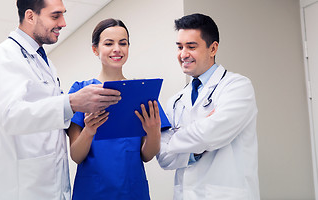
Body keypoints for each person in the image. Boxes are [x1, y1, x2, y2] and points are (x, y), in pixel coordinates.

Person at [0, 0, 121, 200]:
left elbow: (47, 118)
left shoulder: (43, 61)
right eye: (55, 16)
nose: (63, 23)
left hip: (51, 183)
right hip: (24, 188)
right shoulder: (4, 56)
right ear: (30, 16)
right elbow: (10, 117)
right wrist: (72, 103)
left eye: (63, 15)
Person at [157, 13, 259, 199]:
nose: (183, 54)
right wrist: (196, 147)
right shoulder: (175, 101)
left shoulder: (237, 86)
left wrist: (174, 139)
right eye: (179, 47)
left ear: (213, 49)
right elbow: (163, 157)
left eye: (191, 46)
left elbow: (212, 133)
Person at [67, 18, 169, 200]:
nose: (117, 49)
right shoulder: (80, 91)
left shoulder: (141, 92)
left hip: (132, 191)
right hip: (92, 191)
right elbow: (76, 155)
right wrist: (89, 130)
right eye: (108, 43)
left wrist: (153, 133)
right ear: (95, 49)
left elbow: (147, 155)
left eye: (123, 43)